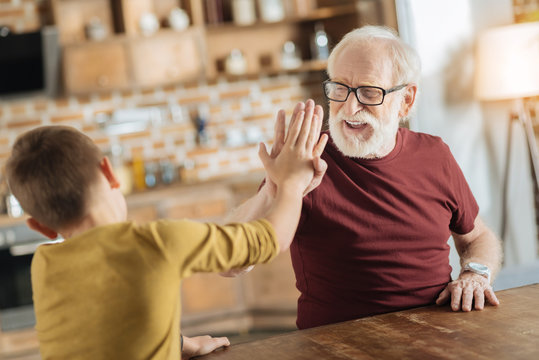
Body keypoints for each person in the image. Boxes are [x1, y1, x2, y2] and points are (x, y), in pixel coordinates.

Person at [223, 25, 503, 330]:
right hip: (338, 346)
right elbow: (230, 263)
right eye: (339, 89)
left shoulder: (435, 154)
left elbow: (477, 237)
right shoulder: (306, 160)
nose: (350, 107)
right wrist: (274, 190)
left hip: (436, 335)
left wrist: (475, 274)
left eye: (369, 92)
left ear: (406, 100)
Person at [4, 115, 327, 359]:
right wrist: (291, 183)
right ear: (109, 172)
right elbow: (270, 239)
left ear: (41, 228)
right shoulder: (156, 242)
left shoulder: (45, 264)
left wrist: (181, 344)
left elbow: (109, 324)